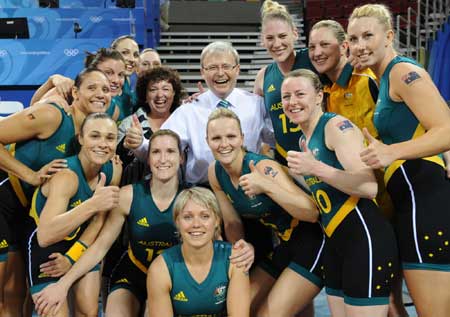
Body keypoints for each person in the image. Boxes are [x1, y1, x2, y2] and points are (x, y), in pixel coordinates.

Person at [347, 4, 450, 316]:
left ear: (389, 35)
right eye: (353, 38)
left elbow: (447, 130)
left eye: (368, 35)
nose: (360, 45)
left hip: (424, 205)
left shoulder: (403, 72)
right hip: (415, 204)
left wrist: (391, 152)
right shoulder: (384, 78)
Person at [308, 19, 407, 317]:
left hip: (396, 192)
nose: (317, 52)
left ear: (345, 46)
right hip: (363, 199)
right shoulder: (325, 93)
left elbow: (421, 113)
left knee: (393, 300)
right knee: (385, 299)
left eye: (326, 44)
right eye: (312, 46)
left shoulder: (370, 78)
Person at [0, 68, 116, 316]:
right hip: (8, 201)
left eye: (106, 89)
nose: (100, 94)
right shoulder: (53, 114)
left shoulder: (99, 142)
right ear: (74, 92)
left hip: (40, 213)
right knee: (7, 292)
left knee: (25, 296)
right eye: (92, 88)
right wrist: (30, 175)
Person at [283, 69, 399, 317]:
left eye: (299, 94)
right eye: (286, 96)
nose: (292, 102)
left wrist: (315, 168)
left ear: (318, 96)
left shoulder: (336, 126)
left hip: (364, 238)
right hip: (335, 243)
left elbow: (368, 187)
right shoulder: (304, 141)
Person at [33, 129, 184, 317]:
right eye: (155, 152)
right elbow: (100, 246)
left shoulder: (192, 200)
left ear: (181, 158)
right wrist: (62, 285)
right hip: (135, 270)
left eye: (170, 151)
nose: (163, 159)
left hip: (176, 275)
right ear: (148, 158)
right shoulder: (127, 195)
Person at [206, 108, 324, 317]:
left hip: (314, 242)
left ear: (242, 138)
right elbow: (232, 223)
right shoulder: (215, 172)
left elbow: (312, 212)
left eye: (231, 136)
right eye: (216, 138)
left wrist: (266, 186)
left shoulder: (262, 167)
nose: (224, 144)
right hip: (285, 245)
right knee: (239, 310)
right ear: (207, 141)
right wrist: (241, 248)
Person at [125, 41, 275, 185]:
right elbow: (160, 149)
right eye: (212, 68)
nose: (220, 73)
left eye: (226, 66)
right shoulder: (188, 110)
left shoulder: (257, 104)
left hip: (248, 186)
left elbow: (277, 140)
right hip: (202, 192)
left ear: (237, 69)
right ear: (202, 72)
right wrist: (139, 144)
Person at [27, 112, 120, 317]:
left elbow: (97, 223)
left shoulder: (113, 170)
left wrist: (71, 257)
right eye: (95, 136)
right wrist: (93, 203)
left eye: (110, 137)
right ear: (80, 138)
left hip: (81, 244)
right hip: (48, 250)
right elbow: (45, 236)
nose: (103, 144)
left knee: (89, 311)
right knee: (54, 311)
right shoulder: (66, 176)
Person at [147, 186, 250, 317]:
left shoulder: (235, 259)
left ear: (217, 221)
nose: (196, 224)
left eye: (205, 216)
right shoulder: (160, 269)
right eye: (188, 217)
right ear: (177, 222)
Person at [254, 0, 317, 165]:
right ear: (262, 40)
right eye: (270, 38)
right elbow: (250, 112)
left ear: (295, 34)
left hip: (323, 153)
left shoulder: (314, 59)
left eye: (282, 36)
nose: (277, 44)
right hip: (286, 159)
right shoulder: (263, 77)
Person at [117, 66, 183, 184]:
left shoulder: (184, 121)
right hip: (137, 190)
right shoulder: (129, 124)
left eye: (166, 89)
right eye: (153, 89)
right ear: (145, 96)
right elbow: (117, 162)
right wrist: (128, 145)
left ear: (174, 93)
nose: (159, 95)